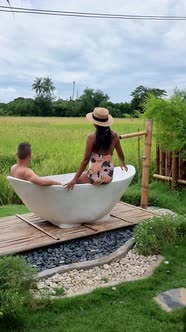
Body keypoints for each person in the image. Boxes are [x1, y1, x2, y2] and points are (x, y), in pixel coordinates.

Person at [65, 107, 128, 190]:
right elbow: (120, 153)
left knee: (74, 182)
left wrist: (75, 179)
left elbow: (85, 160)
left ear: (94, 123)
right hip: (108, 176)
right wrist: (123, 163)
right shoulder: (114, 136)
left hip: (94, 177)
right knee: (85, 174)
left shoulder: (91, 138)